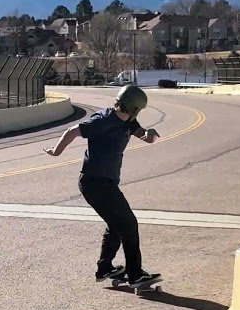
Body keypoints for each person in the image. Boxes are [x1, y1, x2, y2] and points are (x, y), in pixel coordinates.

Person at [45, 84, 161, 289]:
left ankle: (105, 269)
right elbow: (73, 131)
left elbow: (144, 136)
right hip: (95, 183)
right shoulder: (103, 120)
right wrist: (56, 151)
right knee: (129, 225)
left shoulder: (129, 122)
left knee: (116, 226)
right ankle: (135, 275)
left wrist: (150, 134)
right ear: (135, 108)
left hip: (105, 183)